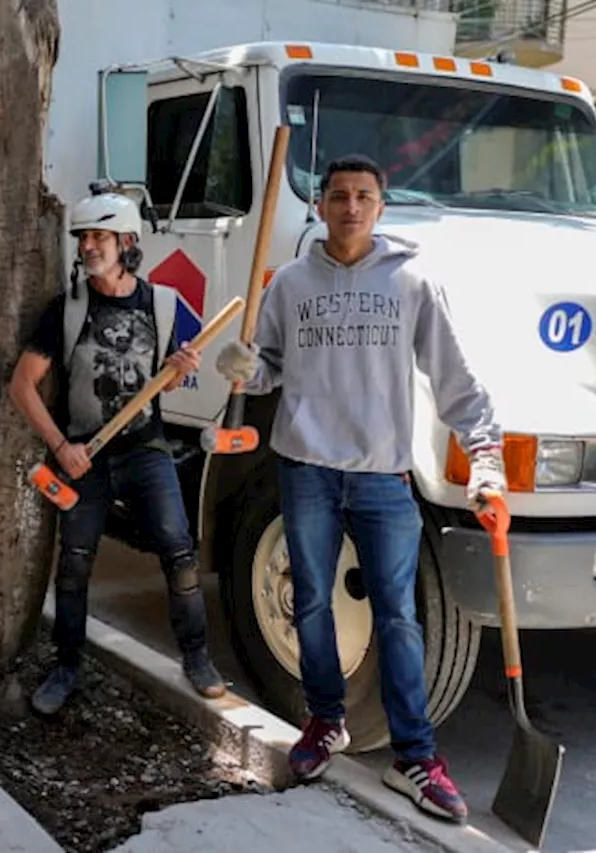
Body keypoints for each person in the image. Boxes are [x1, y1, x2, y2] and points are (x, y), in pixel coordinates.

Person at [214, 155, 505, 823]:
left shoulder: (412, 281)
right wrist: (244, 368)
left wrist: (485, 454)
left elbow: (456, 377)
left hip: (381, 473)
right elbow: (269, 373)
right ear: (320, 207)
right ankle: (325, 721)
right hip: (306, 467)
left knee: (399, 617)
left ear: (380, 207)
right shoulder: (287, 284)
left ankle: (416, 757)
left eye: (364, 196)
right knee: (311, 603)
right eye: (339, 195)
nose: (351, 205)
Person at [8, 191, 225, 716]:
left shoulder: (163, 304)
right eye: (83, 238)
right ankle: (66, 666)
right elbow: (22, 386)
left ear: (127, 242)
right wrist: (62, 447)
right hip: (86, 454)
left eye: (99, 237)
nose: (88, 247)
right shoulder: (67, 310)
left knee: (179, 551)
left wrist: (176, 372)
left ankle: (197, 657)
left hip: (146, 449)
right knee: (75, 565)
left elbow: (173, 383)